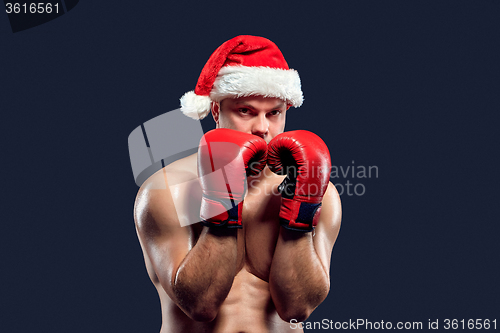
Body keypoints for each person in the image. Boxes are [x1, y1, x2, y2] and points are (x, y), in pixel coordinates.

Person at [134, 35, 342, 333]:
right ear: (217, 110)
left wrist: (301, 211)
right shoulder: (165, 190)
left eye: (274, 113)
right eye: (245, 111)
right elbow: (200, 305)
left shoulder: (317, 188)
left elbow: (298, 307)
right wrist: (222, 201)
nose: (261, 127)